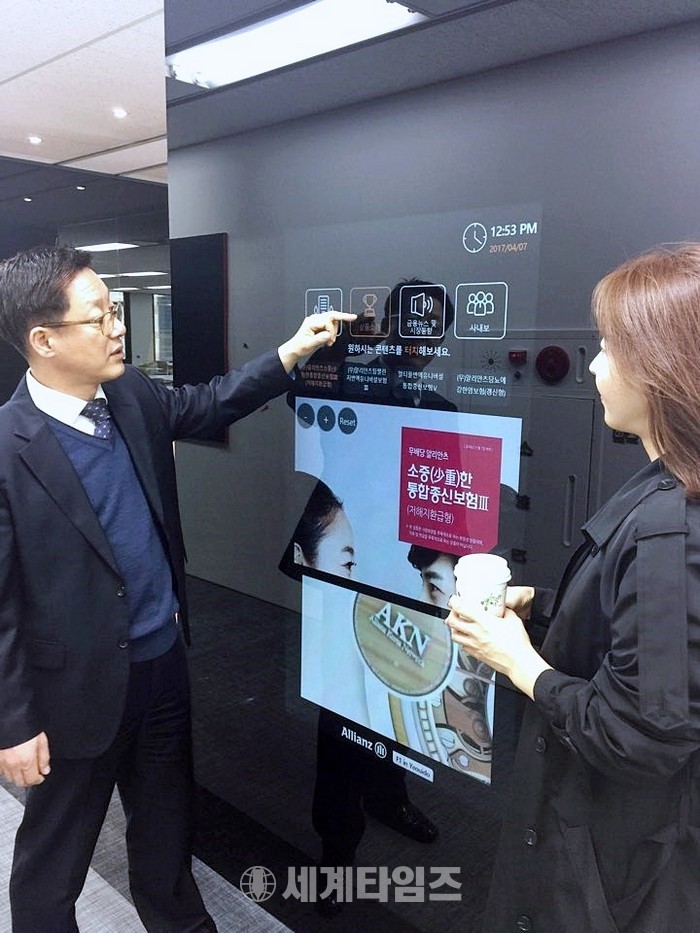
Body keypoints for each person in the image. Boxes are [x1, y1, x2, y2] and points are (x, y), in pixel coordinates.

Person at [0, 244, 353, 933]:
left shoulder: (130, 394)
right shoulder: (8, 449)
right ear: (43, 340)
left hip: (161, 667)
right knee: (52, 866)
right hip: (73, 689)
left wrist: (290, 353)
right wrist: (13, 723)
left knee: (167, 834)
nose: (118, 328)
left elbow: (207, 401)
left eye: (115, 311)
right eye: (100, 317)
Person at [446, 243, 700, 932]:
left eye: (610, 348)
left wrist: (519, 663)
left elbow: (642, 734)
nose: (592, 365)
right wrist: (548, 615)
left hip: (615, 872)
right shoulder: (666, 486)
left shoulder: (670, 528)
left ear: (661, 368)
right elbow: (650, 644)